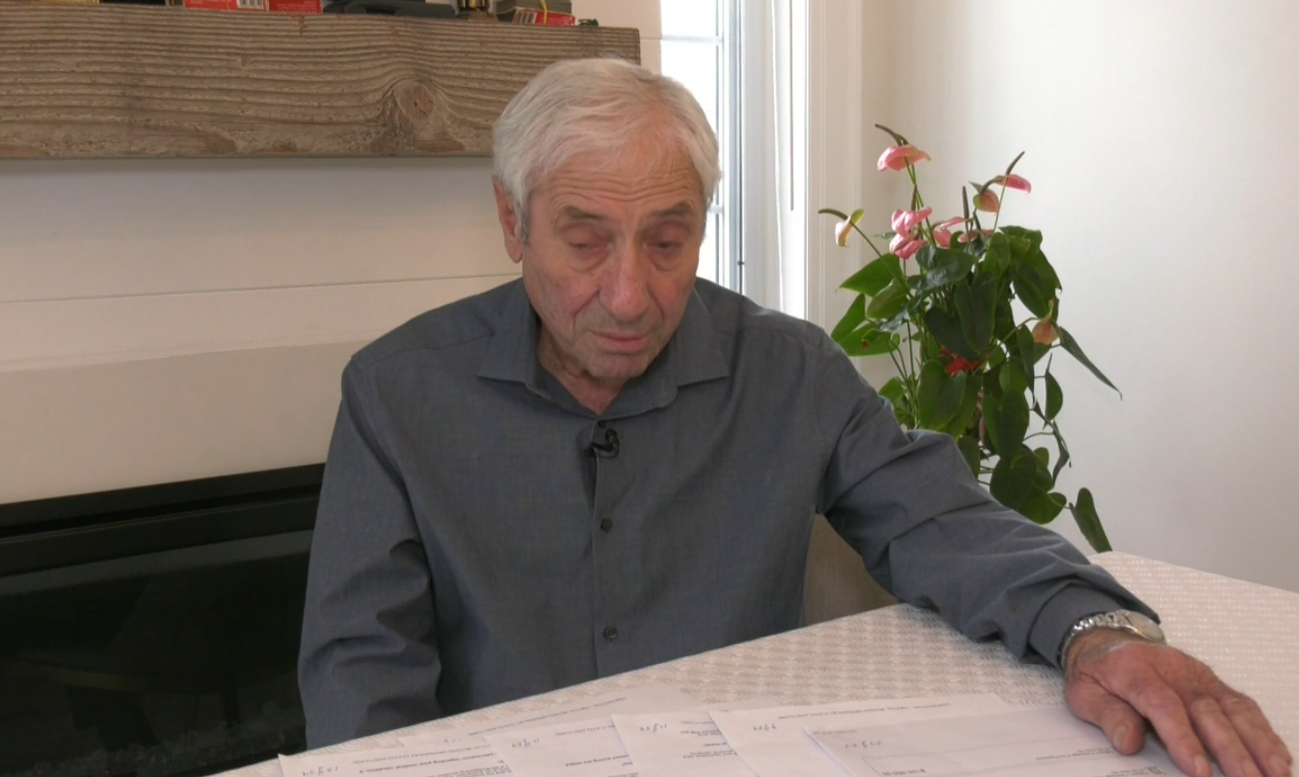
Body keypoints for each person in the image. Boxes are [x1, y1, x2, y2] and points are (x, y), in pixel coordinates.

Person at [298, 58, 1291, 777]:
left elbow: (940, 519)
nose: (630, 296)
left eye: (668, 241)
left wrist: (1098, 634)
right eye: (585, 242)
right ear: (513, 221)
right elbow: (360, 670)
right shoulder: (396, 393)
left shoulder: (787, 370)